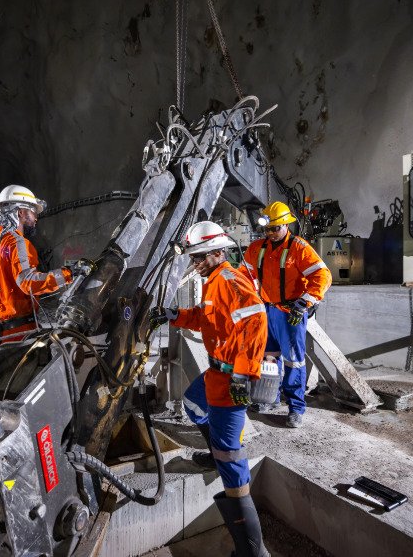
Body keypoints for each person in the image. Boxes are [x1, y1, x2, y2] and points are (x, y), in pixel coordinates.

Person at [150, 220, 269, 557]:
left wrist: (243, 375)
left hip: (232, 379)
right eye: (194, 257)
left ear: (219, 252)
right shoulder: (214, 282)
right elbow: (207, 318)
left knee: (231, 455)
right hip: (216, 374)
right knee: (193, 404)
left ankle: (253, 551)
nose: (197, 263)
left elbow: (257, 320)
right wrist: (173, 315)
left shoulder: (229, 280)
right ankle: (216, 455)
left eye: (201, 256)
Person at [243, 201, 332, 428]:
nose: (270, 233)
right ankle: (269, 398)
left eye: (275, 228)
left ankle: (295, 408)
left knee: (294, 361)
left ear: (286, 225)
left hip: (290, 312)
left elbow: (322, 276)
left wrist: (305, 302)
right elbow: (243, 276)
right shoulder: (256, 248)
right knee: (268, 358)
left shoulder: (299, 248)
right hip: (266, 310)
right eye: (267, 229)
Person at [0, 184, 89, 342]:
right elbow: (29, 282)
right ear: (21, 212)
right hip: (19, 331)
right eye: (33, 212)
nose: (36, 218)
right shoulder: (17, 242)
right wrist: (69, 273)